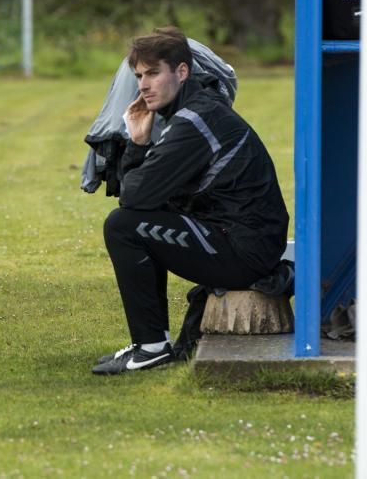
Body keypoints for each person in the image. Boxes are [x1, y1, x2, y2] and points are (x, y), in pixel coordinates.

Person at [93, 26, 289, 375]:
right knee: (136, 219)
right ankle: (150, 345)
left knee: (122, 227)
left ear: (182, 72)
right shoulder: (195, 112)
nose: (143, 85)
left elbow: (134, 197)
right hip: (241, 239)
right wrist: (140, 142)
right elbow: (141, 196)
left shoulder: (194, 122)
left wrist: (137, 144)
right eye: (139, 75)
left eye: (153, 73)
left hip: (245, 251)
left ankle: (151, 347)